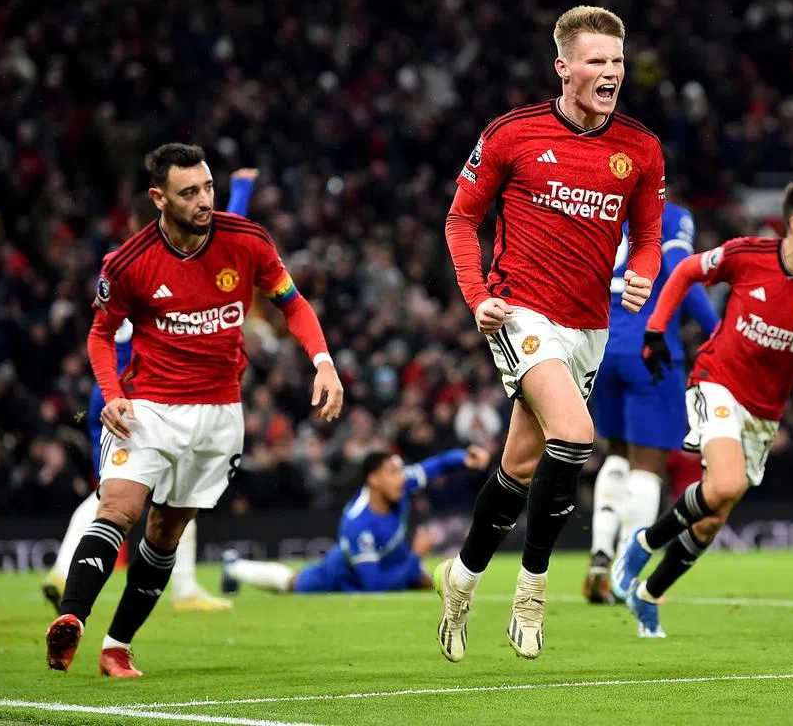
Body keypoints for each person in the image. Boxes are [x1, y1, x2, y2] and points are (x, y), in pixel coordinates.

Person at [44, 144, 344, 677]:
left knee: (165, 532)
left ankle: (117, 646)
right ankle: (71, 618)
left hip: (219, 416)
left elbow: (292, 303)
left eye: (207, 187)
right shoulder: (129, 262)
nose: (205, 200)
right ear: (159, 198)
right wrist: (112, 393)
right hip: (149, 408)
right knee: (117, 509)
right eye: (190, 193)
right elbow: (99, 334)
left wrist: (322, 361)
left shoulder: (247, 241)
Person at [437, 5, 665, 660]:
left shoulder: (640, 149)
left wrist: (644, 275)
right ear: (563, 67)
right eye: (597, 61)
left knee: (519, 464)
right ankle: (533, 592)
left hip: (590, 324)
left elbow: (648, 237)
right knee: (575, 433)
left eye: (617, 61)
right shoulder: (512, 135)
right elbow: (460, 221)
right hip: (520, 312)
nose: (611, 73)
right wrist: (477, 296)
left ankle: (462, 575)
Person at [613, 176, 793, 637]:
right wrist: (655, 330)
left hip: (764, 411)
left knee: (714, 516)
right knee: (726, 483)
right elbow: (685, 271)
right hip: (716, 380)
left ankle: (649, 594)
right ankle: (640, 545)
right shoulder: (748, 255)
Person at [41, 169, 258, 615]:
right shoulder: (148, 265)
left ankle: (67, 569)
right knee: (157, 493)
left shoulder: (121, 262)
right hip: (146, 395)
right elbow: (223, 241)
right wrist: (243, 191)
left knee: (127, 492)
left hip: (112, 393)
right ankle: (179, 588)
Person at [584, 201, 719, 603]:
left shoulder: (600, 206)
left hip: (600, 347)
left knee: (618, 455)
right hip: (650, 352)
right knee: (649, 465)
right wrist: (718, 331)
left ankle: (600, 553)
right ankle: (625, 572)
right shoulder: (672, 216)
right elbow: (682, 270)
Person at [220, 446, 491, 594]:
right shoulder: (357, 522)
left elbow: (439, 464)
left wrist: (464, 458)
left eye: (400, 471)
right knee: (292, 585)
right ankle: (234, 567)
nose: (402, 477)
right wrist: (415, 558)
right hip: (340, 577)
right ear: (373, 479)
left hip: (390, 561)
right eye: (392, 472)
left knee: (432, 587)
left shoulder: (401, 485)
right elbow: (372, 587)